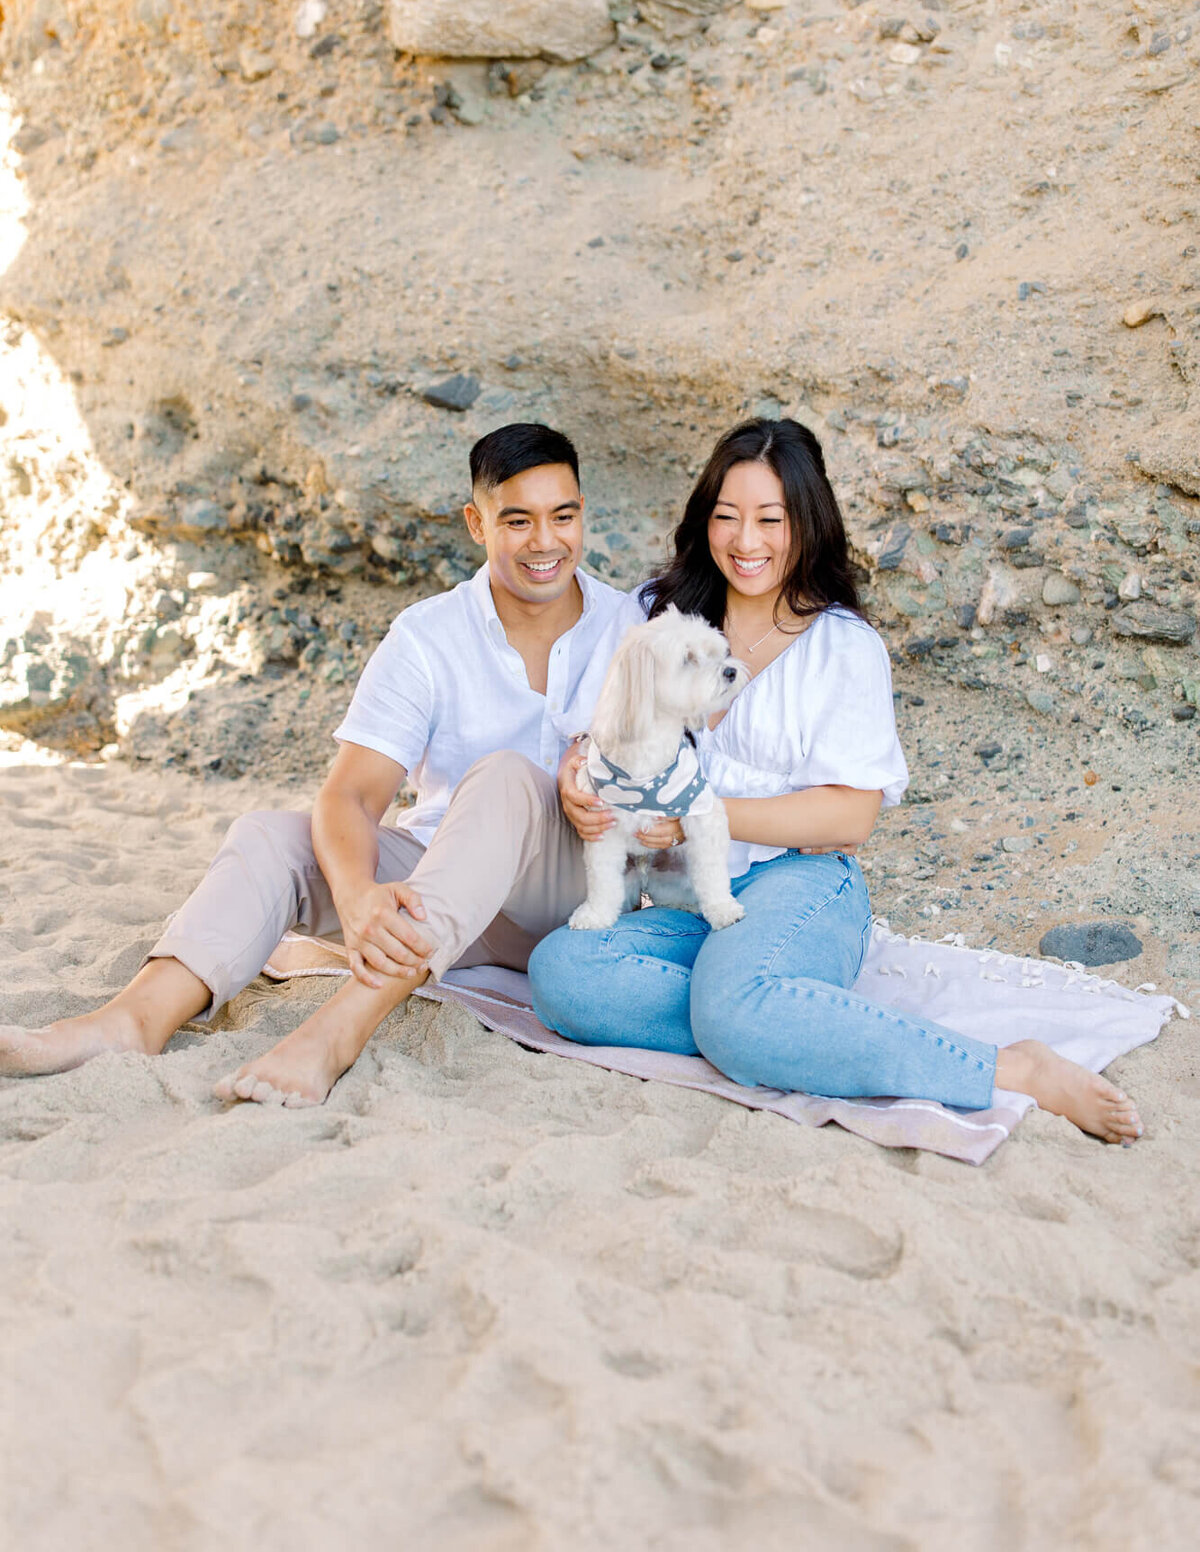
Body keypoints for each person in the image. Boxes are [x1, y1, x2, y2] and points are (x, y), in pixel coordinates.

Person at [528, 418, 1144, 1146]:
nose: (745, 542)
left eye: (770, 519)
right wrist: (579, 779)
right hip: (688, 896)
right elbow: (600, 732)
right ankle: (766, 1017)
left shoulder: (842, 647)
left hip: (799, 883)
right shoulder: (656, 614)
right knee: (563, 972)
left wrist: (702, 812)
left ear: (806, 523)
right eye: (727, 517)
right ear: (704, 519)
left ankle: (1010, 1068)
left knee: (733, 1014)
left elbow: (850, 818)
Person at [0, 423, 630, 1104]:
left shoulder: (632, 625)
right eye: (518, 520)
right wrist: (358, 897)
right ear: (477, 525)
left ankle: (332, 1037)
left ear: (582, 515)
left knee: (506, 775)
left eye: (562, 516)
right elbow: (353, 797)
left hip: (570, 890)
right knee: (270, 836)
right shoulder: (427, 636)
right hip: (440, 888)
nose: (545, 542)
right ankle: (135, 1018)